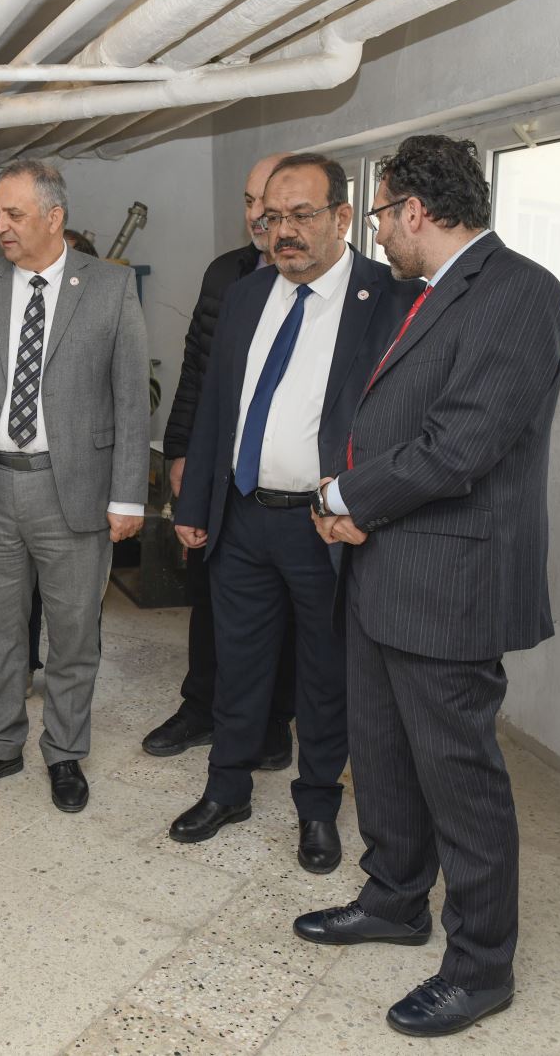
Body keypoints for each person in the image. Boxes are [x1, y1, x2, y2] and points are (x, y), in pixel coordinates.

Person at [297, 135, 560, 1037]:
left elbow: (460, 445)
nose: (377, 231)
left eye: (379, 214)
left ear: (414, 210)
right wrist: (357, 510)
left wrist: (345, 496)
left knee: (460, 777)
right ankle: (394, 897)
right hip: (387, 560)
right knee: (381, 753)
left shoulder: (520, 291)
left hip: (450, 579)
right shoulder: (432, 291)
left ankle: (482, 964)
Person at [169, 153, 422, 874]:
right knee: (238, 663)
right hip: (243, 515)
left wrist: (366, 504)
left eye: (301, 215)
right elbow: (219, 406)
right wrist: (196, 501)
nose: (283, 231)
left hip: (326, 525)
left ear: (343, 217)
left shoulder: (389, 299)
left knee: (323, 674)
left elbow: (401, 422)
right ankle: (227, 789)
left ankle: (317, 807)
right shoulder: (248, 295)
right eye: (272, 216)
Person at [0, 159, 149, 814]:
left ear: (54, 217)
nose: (0, 225)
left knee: (74, 634)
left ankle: (65, 752)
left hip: (75, 490)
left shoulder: (110, 286)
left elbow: (131, 398)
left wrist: (128, 495)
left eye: (14, 213)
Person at [144, 153, 300, 765]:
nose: (258, 214)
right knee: (209, 591)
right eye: (249, 200)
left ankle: (273, 724)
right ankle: (201, 707)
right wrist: (180, 449)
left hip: (286, 474)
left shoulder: (317, 277)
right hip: (218, 462)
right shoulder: (225, 273)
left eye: (269, 201)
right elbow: (196, 370)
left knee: (285, 606)